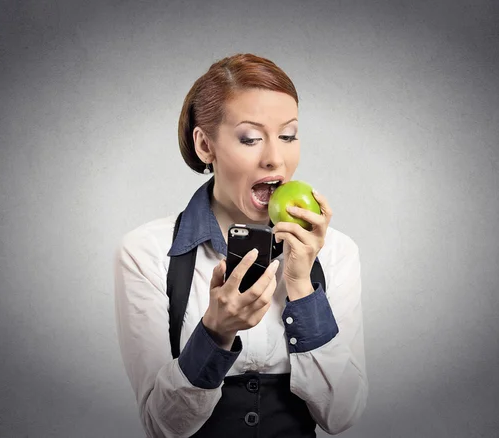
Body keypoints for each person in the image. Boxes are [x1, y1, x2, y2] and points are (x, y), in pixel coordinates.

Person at [114, 53, 368, 438]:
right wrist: (215, 332)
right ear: (205, 146)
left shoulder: (335, 252)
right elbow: (162, 426)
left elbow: (342, 415)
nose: (274, 158)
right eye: (250, 138)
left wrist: (301, 287)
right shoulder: (147, 252)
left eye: (288, 135)